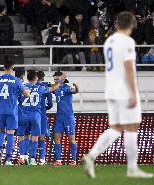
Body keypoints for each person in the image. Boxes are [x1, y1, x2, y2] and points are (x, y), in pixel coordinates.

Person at [83, 11, 153, 179]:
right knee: (132, 126)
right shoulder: (127, 41)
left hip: (111, 89)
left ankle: (91, 156)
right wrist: (132, 92)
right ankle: (132, 168)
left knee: (115, 128)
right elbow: (128, 67)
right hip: (124, 89)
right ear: (132, 24)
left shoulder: (110, 41)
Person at [0, 59, 30, 165]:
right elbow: (26, 95)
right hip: (12, 111)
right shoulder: (16, 80)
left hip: (1, 110)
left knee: (1, 131)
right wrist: (28, 91)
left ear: (3, 67)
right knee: (10, 133)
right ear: (13, 67)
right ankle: (8, 160)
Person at [19, 70, 60, 165]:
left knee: (24, 136)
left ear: (27, 78)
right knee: (35, 137)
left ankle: (23, 157)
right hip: (36, 116)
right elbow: (52, 89)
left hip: (24, 115)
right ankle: (33, 159)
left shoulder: (22, 87)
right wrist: (60, 81)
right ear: (36, 78)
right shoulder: (40, 88)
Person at [53, 71, 79, 166]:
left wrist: (76, 86)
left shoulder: (67, 88)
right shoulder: (55, 88)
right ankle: (58, 160)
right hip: (59, 117)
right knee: (56, 138)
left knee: (71, 139)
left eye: (56, 79)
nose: (55, 80)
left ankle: (73, 160)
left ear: (61, 79)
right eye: (54, 79)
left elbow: (75, 91)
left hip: (68, 117)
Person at [36, 71, 53, 165]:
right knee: (42, 137)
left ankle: (31, 158)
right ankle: (42, 159)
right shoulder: (45, 87)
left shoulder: (29, 86)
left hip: (31, 112)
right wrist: (45, 108)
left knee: (32, 137)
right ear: (43, 77)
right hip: (42, 113)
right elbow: (50, 104)